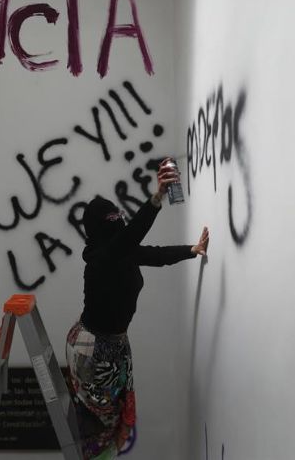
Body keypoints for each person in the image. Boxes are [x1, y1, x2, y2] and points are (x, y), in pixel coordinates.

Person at [65, 157, 210, 459]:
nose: (119, 229)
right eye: (112, 223)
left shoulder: (120, 252)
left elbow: (151, 254)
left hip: (110, 343)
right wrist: (157, 197)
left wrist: (191, 251)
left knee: (115, 425)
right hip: (95, 348)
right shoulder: (100, 259)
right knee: (101, 431)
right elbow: (132, 237)